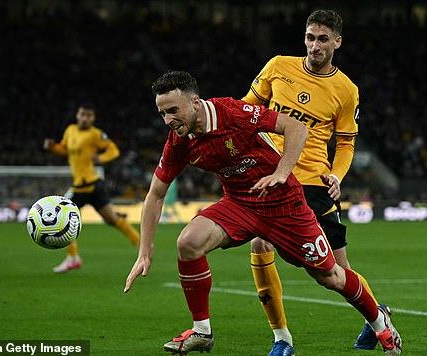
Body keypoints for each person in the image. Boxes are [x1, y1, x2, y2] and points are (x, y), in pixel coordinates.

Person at [123, 70, 402, 355]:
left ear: (195, 102)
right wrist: (144, 251)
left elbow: (296, 128)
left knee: (331, 276)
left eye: (173, 110)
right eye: (162, 114)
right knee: (188, 242)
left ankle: (380, 322)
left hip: (284, 205)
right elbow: (155, 194)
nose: (168, 120)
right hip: (240, 203)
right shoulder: (178, 140)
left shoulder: (232, 112)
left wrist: (282, 172)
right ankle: (202, 331)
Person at [242, 9, 388, 354]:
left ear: (337, 42)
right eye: (310, 37)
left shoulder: (346, 89)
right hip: (272, 175)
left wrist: (336, 174)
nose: (314, 45)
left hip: (313, 184)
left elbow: (347, 143)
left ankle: (376, 316)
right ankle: (281, 339)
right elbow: (247, 109)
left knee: (337, 271)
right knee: (260, 244)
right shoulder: (278, 66)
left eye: (323, 39)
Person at [43, 104, 140, 273]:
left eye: (88, 115)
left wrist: (101, 158)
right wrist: (53, 147)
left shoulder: (96, 134)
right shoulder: (70, 130)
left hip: (88, 185)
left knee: (61, 218)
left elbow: (114, 150)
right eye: (82, 114)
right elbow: (66, 150)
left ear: (93, 118)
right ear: (77, 115)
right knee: (112, 219)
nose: (85, 118)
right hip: (86, 185)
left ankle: (73, 258)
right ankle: (142, 244)